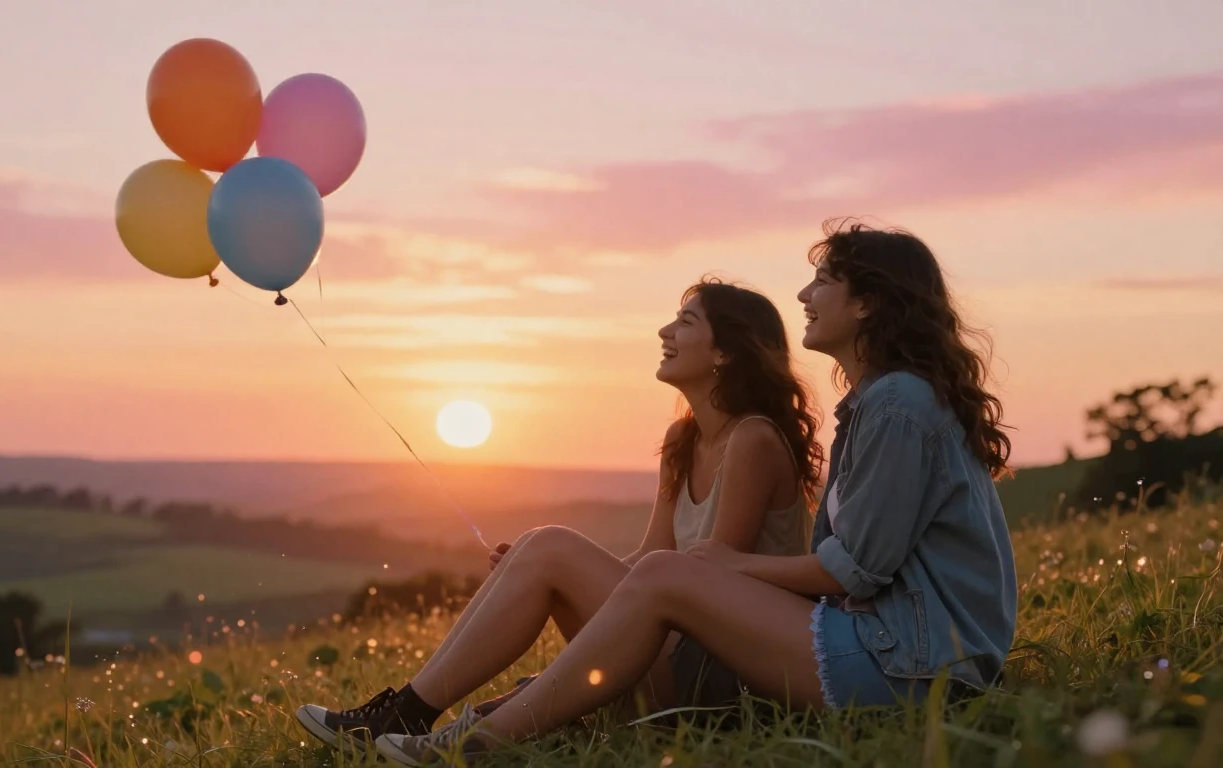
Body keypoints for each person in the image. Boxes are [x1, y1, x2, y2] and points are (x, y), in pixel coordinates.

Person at [374, 220, 1019, 766]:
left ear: (868, 304)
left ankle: (472, 742)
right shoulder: (875, 406)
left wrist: (730, 564)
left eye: (824, 281)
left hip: (915, 666)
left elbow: (855, 569)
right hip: (891, 649)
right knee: (569, 555)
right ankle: (472, 720)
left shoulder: (896, 407)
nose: (804, 293)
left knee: (653, 574)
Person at [295, 278, 823, 752]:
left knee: (550, 548)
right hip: (668, 650)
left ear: (727, 353)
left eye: (685, 322)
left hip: (720, 678)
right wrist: (535, 572)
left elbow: (710, 586)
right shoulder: (683, 439)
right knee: (538, 549)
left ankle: (414, 714)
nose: (664, 331)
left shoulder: (752, 439)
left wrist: (557, 568)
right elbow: (653, 560)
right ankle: (415, 710)